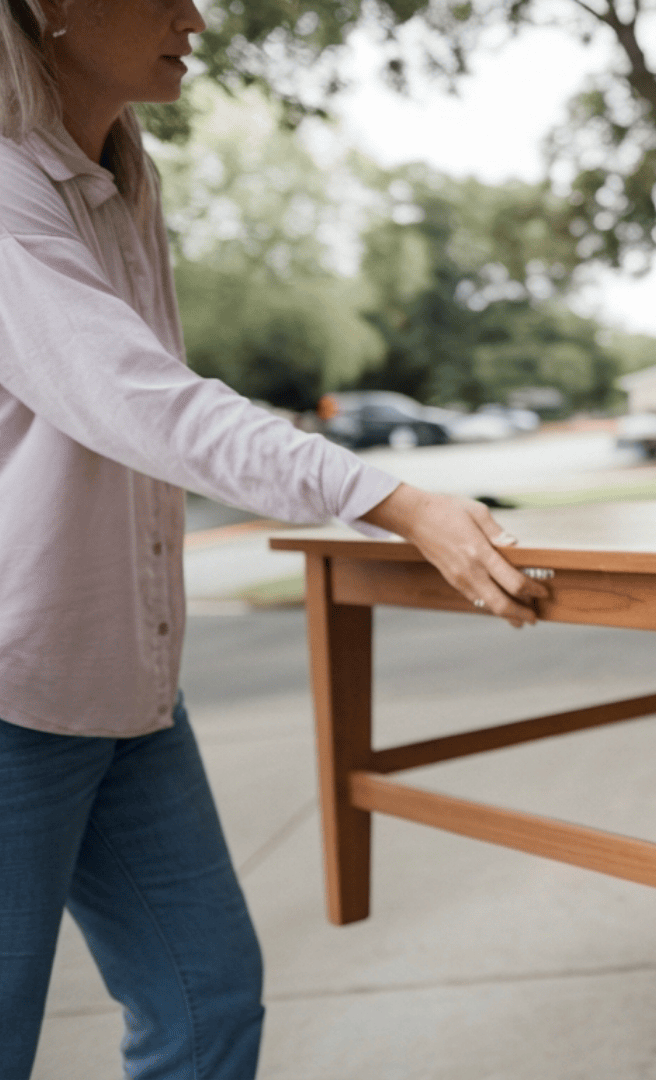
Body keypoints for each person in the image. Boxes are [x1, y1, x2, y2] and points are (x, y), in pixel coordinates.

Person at [0, 0, 551, 1074]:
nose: (195, 17)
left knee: (207, 1005)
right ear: (54, 8)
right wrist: (395, 499)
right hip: (14, 694)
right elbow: (147, 405)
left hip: (128, 689)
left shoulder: (116, 180)